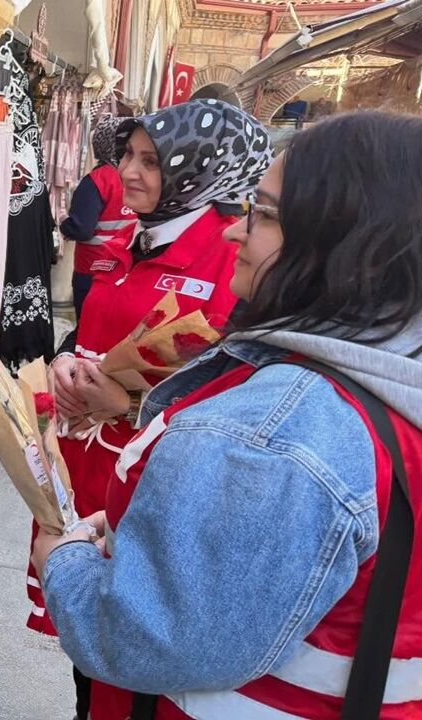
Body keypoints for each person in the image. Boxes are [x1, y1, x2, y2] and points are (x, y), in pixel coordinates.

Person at [32, 111, 422, 720]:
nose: (233, 233)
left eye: (264, 216)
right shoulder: (387, 378)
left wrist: (64, 560)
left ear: (345, 243)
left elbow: (142, 633)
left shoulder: (277, 430)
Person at [29, 99, 273, 718]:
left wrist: (131, 404)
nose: (129, 173)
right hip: (82, 470)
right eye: (128, 156)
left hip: (151, 490)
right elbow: (91, 332)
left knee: (128, 651)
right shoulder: (124, 242)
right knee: (84, 653)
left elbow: (241, 398)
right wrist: (64, 362)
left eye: (151, 161)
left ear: (200, 169)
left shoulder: (234, 267)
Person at [59, 114, 138, 318]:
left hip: (93, 269)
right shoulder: (138, 178)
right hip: (125, 268)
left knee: (87, 327)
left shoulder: (97, 181)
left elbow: (82, 228)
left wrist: (62, 223)